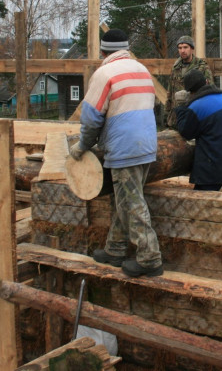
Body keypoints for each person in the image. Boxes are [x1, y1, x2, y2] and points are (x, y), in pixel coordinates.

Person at [69, 28, 164, 278]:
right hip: (146, 145)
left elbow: (90, 118)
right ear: (126, 49)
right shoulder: (142, 70)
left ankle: (149, 257)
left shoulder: (104, 73)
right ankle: (115, 249)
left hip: (125, 148)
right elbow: (152, 107)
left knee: (132, 203)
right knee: (124, 199)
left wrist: (82, 146)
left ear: (103, 51)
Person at [174, 69, 222, 194]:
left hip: (214, 166)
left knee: (201, 204)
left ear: (190, 92)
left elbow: (186, 132)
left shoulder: (196, 107)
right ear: (207, 82)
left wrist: (181, 107)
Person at [165, 35, 212, 128]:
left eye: (185, 47)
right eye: (180, 48)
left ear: (192, 49)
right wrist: (167, 114)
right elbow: (170, 91)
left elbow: (209, 91)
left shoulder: (202, 67)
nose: (182, 51)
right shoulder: (175, 67)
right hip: (176, 116)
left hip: (194, 113)